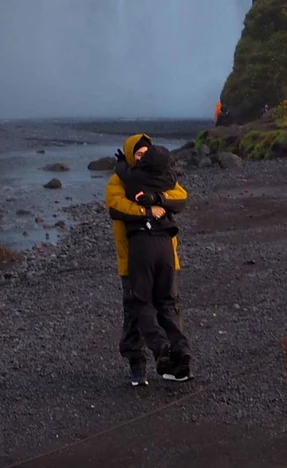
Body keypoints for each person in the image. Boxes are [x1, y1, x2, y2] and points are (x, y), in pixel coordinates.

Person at [106, 133, 191, 387]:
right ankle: (137, 364)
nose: (142, 158)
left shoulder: (161, 178)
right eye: (138, 154)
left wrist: (159, 199)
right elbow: (115, 205)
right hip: (131, 257)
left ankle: (176, 363)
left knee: (169, 308)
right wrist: (146, 211)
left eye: (146, 154)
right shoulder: (119, 179)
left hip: (163, 255)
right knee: (134, 312)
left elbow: (180, 197)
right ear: (131, 155)